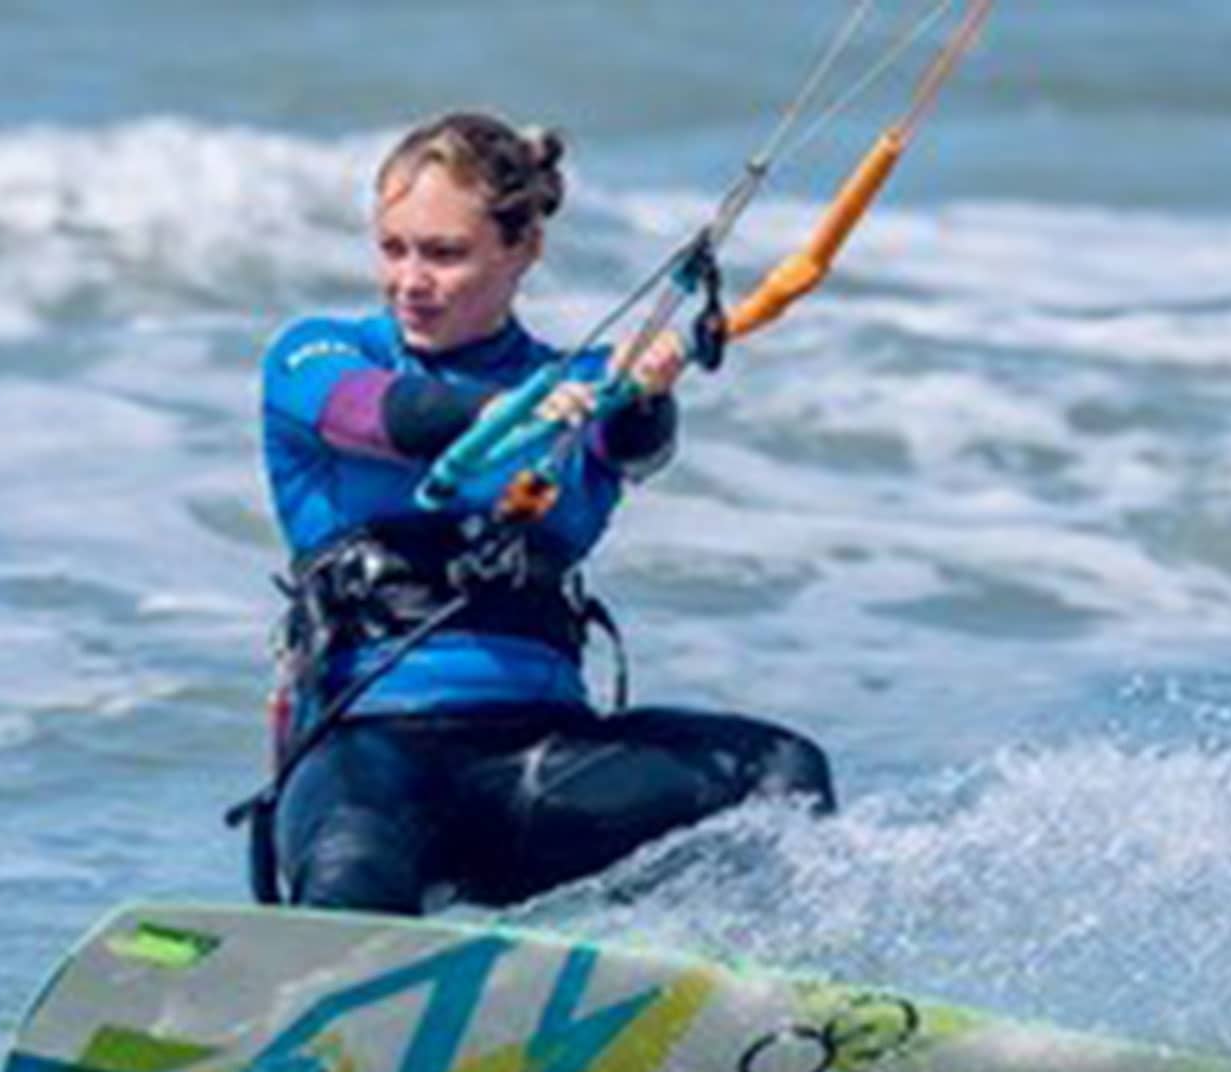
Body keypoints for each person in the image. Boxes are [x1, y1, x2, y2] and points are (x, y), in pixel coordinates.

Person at [251, 110, 833, 915]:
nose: (410, 279)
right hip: (370, 758)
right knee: (354, 864)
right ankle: (334, 1018)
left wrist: (644, 388)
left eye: (444, 253)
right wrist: (513, 410)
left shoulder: (586, 384)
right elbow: (382, 416)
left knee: (781, 772)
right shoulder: (317, 355)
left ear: (522, 248)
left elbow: (634, 446)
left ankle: (753, 1011)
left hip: (540, 763)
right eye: (394, 248)